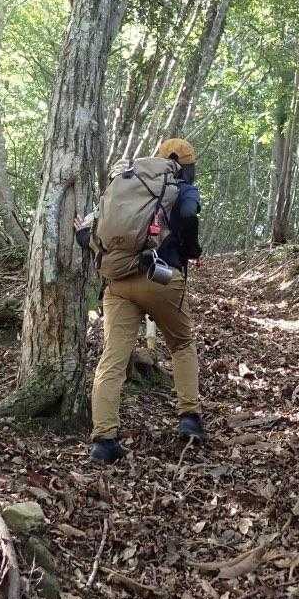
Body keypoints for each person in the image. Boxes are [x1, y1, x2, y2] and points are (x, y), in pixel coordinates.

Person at [77, 137, 205, 463]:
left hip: (119, 282)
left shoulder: (128, 183)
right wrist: (191, 248)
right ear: (187, 167)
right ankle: (189, 418)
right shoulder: (182, 188)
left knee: (113, 359)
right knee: (181, 344)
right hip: (161, 278)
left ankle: (104, 440)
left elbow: (101, 231)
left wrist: (83, 237)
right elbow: (188, 213)